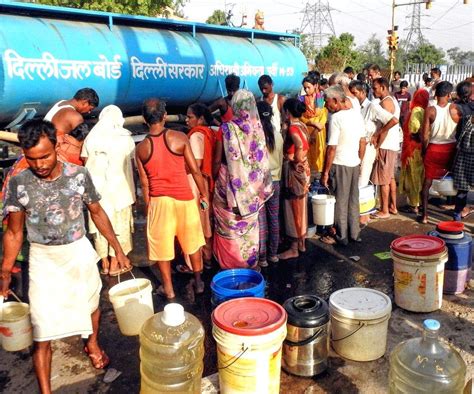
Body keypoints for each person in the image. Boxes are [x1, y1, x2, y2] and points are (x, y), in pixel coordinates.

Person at [1, 119, 131, 393]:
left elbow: (97, 212)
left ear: (56, 146)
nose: (39, 165)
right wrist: (4, 271)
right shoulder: (19, 183)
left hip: (77, 252)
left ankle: (92, 342)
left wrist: (117, 249)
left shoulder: (78, 175)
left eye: (45, 156)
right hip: (42, 259)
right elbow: (14, 233)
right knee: (41, 326)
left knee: (92, 302)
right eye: (31, 158)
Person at [135, 99, 208, 299]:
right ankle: (199, 282)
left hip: (160, 202)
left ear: (144, 119)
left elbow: (144, 184)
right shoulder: (180, 137)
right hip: (184, 199)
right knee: (193, 242)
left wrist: (148, 207)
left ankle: (168, 288)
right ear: (165, 116)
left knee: (162, 247)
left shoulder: (141, 148)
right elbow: (195, 171)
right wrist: (203, 195)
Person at [213, 89, 273, 269]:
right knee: (250, 227)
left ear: (234, 106)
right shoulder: (258, 128)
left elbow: (217, 160)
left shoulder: (226, 129)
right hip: (254, 190)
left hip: (229, 187)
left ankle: (230, 266)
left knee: (229, 225)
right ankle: (251, 264)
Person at [81, 105, 136, 276]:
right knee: (119, 226)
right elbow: (132, 164)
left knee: (99, 226)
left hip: (97, 192)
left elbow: (84, 160)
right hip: (120, 190)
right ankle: (115, 263)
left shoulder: (91, 137)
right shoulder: (125, 137)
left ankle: (104, 263)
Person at [320, 86, 366, 245]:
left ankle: (341, 236)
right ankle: (354, 234)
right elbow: (362, 141)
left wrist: (325, 172)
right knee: (353, 200)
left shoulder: (336, 118)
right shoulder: (356, 115)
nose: (326, 105)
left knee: (340, 201)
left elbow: (331, 147)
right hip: (353, 163)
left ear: (335, 100)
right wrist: (359, 160)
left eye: (327, 102)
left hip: (339, 164)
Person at [178, 103, 216, 272]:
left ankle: (194, 265)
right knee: (205, 220)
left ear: (200, 118)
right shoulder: (210, 133)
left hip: (195, 185)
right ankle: (207, 259)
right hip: (205, 184)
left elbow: (197, 164)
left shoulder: (195, 136)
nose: (187, 120)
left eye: (190, 117)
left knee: (195, 222)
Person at [420, 81, 461, 224]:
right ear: (449, 94)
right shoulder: (456, 109)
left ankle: (424, 216)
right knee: (455, 181)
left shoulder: (430, 110)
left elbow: (424, 135)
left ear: (436, 94)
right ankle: (455, 214)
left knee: (427, 183)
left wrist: (424, 151)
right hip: (451, 149)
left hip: (434, 148)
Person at [349, 80, 398, 197]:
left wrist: (377, 134)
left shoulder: (372, 107)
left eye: (354, 93)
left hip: (367, 146)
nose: (353, 96)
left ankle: (361, 211)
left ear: (362, 92)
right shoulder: (353, 108)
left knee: (362, 179)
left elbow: (393, 120)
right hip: (355, 147)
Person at [278, 98, 311, 259]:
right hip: (303, 170)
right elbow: (307, 142)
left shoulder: (293, 129)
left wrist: (295, 160)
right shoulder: (302, 125)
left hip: (293, 171)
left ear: (287, 112)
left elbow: (300, 144)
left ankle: (293, 247)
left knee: (292, 208)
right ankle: (301, 243)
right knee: (301, 205)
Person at [256, 101, 283, 266]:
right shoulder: (278, 135)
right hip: (275, 181)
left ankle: (262, 257)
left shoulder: (256, 135)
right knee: (274, 219)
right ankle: (273, 254)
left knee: (261, 221)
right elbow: (280, 159)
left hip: (259, 183)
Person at [370, 77, 401, 219]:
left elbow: (388, 125)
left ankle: (384, 210)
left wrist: (377, 145)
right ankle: (392, 206)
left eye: (375, 88)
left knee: (383, 180)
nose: (373, 91)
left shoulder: (386, 102)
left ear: (383, 87)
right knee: (390, 178)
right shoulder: (392, 99)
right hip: (392, 144)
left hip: (386, 145)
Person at [398, 89, 430, 214]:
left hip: (413, 149)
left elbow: (414, 130)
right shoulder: (426, 110)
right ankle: (420, 203)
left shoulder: (416, 111)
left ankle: (414, 205)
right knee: (420, 176)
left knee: (413, 177)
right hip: (421, 148)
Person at [452, 80, 474, 221]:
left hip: (463, 154)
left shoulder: (458, 109)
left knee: (462, 188)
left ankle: (457, 218)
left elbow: (457, 133)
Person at [299, 74, 327, 175]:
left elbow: (323, 115)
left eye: (308, 87)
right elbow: (300, 116)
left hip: (318, 131)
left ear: (315, 86)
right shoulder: (301, 99)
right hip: (306, 129)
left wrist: (316, 128)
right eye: (304, 87)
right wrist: (311, 122)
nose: (306, 90)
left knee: (318, 155)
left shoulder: (320, 98)